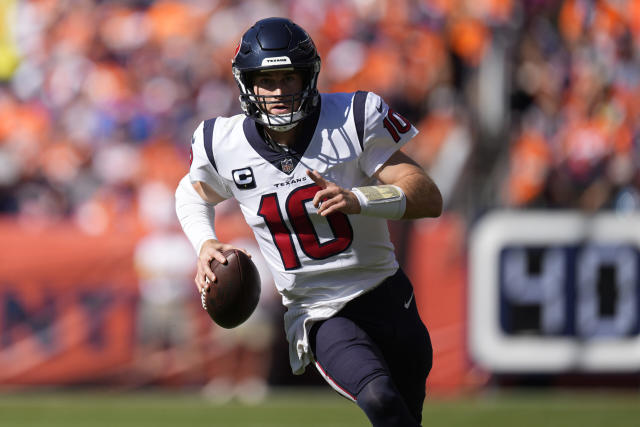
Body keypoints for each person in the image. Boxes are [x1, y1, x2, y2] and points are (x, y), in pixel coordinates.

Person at [175, 17, 442, 426]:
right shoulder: (222, 143)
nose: (279, 92)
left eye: (289, 78)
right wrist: (204, 243)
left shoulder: (353, 117)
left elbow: (427, 195)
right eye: (267, 80)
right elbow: (191, 193)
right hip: (320, 310)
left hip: (387, 295)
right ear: (247, 84)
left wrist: (360, 198)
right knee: (380, 398)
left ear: (309, 77)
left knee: (404, 415)